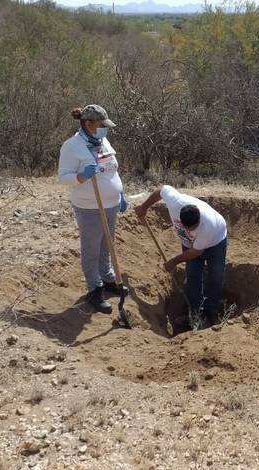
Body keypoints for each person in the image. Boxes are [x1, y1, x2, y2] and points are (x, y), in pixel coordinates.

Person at [58, 104, 128, 314]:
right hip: (89, 205)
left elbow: (112, 169)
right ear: (88, 124)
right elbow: (63, 177)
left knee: (107, 243)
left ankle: (107, 278)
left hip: (111, 204)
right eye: (101, 125)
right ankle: (94, 289)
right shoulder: (72, 146)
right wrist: (82, 176)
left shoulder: (102, 140)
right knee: (92, 248)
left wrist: (120, 193)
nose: (105, 129)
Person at [134, 186, 227, 329]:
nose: (190, 231)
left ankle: (211, 312)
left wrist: (174, 261)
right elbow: (161, 190)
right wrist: (144, 207)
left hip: (216, 242)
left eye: (193, 228)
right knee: (193, 276)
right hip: (190, 245)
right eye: (187, 228)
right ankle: (195, 313)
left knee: (216, 276)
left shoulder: (207, 226)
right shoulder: (175, 203)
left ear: (199, 220)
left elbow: (196, 252)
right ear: (181, 219)